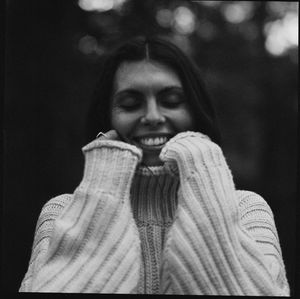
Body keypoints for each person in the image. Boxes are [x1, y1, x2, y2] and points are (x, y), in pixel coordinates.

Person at [19, 36, 290, 295]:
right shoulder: (62, 214)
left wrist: (202, 168)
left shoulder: (247, 211)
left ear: (195, 111)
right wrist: (105, 181)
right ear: (108, 117)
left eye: (171, 101)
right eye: (130, 103)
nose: (152, 116)